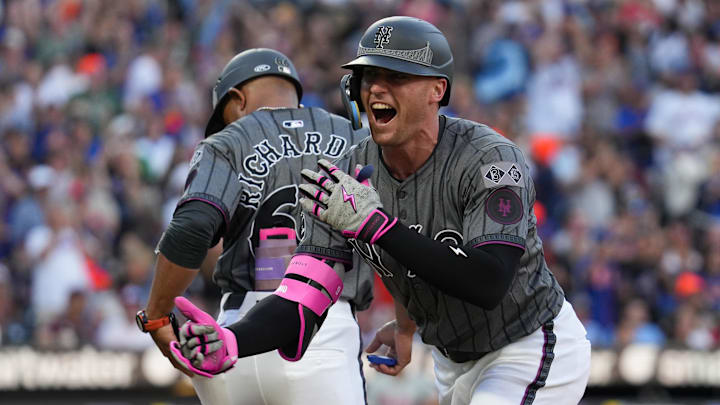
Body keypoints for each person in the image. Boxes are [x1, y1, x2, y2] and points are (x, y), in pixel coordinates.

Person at [170, 17, 591, 405]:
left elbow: (488, 280)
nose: (375, 89)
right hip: (450, 360)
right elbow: (301, 301)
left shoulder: (491, 157)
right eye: (368, 76)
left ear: (436, 89)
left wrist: (378, 227)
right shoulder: (345, 172)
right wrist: (231, 341)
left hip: (529, 343)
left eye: (396, 76)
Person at [139, 48, 371, 405]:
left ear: (237, 98)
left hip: (232, 338)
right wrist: (404, 324)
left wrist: (155, 315)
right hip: (323, 331)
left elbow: (192, 227)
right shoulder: (356, 138)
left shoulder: (229, 141)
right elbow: (397, 231)